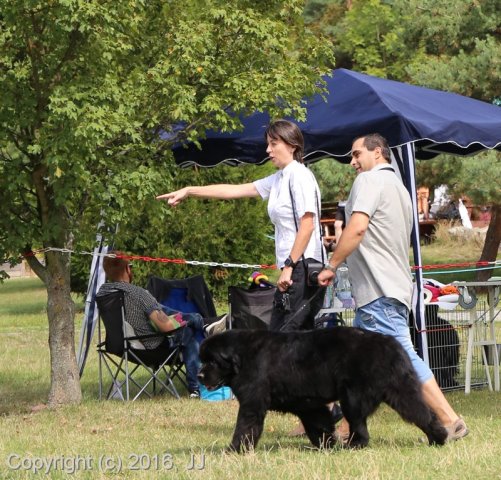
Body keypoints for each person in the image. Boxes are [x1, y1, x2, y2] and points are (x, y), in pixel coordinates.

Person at [317, 133, 468, 443]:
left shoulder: (370, 181)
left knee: (403, 358)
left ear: (378, 152)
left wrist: (331, 265)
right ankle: (345, 429)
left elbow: (357, 227)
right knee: (357, 366)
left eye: (357, 153)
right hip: (392, 289)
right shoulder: (400, 188)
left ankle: (450, 420)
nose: (352, 161)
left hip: (378, 293)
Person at [157, 119, 326, 332]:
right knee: (285, 340)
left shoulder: (300, 175)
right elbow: (233, 190)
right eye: (268, 144)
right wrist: (189, 190)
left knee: (284, 340)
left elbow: (308, 225)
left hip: (301, 267)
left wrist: (290, 267)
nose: (268, 149)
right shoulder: (280, 178)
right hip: (292, 268)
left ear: (292, 145)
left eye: (274, 144)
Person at [97, 252, 227, 399]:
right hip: (151, 347)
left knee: (164, 310)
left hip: (121, 346)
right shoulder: (139, 293)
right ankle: (195, 386)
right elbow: (165, 327)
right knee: (188, 332)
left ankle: (203, 323)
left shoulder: (102, 293)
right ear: (127, 269)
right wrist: (184, 321)